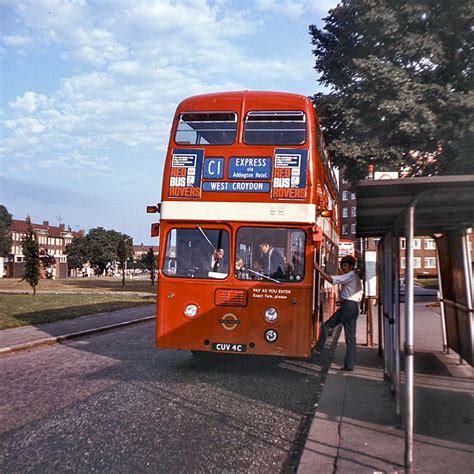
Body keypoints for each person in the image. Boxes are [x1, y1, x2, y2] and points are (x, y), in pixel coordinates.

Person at [315, 255, 363, 371]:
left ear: (351, 266)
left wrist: (318, 269)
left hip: (348, 306)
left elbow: (332, 280)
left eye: (345, 265)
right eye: (342, 265)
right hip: (354, 307)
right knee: (350, 338)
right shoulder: (355, 277)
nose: (343, 268)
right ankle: (349, 365)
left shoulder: (350, 276)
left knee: (327, 325)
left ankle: (318, 350)